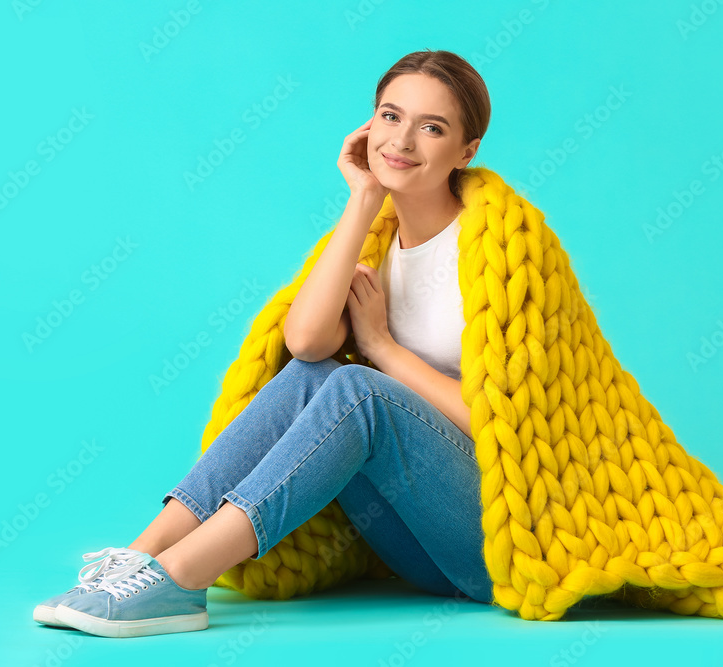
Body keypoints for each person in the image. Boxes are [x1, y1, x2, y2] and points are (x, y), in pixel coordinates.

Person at [33, 49, 494, 639]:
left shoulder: (501, 252)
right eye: (389, 115)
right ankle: (137, 562)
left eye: (432, 127)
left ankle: (181, 578)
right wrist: (362, 202)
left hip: (494, 544)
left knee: (358, 387)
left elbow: (507, 427)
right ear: (369, 125)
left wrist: (381, 347)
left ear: (467, 150)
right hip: (419, 552)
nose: (402, 139)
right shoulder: (375, 240)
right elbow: (306, 343)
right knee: (314, 377)